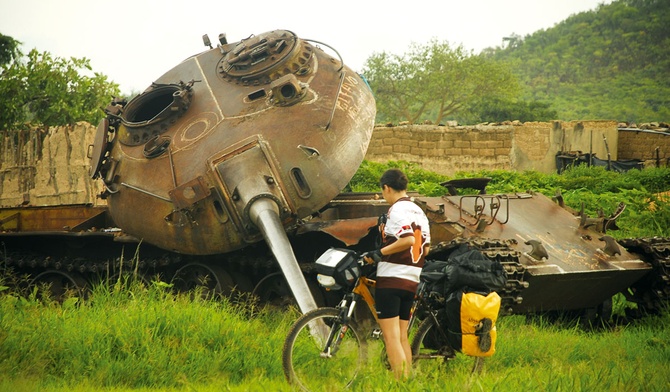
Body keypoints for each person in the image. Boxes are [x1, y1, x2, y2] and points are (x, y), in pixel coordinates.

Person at [363, 168, 431, 379]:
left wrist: (378, 253)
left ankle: (399, 383)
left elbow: (408, 239)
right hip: (412, 279)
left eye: (382, 191)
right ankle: (407, 379)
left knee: (390, 337)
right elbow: (425, 249)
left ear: (387, 188)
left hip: (392, 278)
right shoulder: (419, 212)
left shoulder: (396, 210)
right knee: (402, 336)